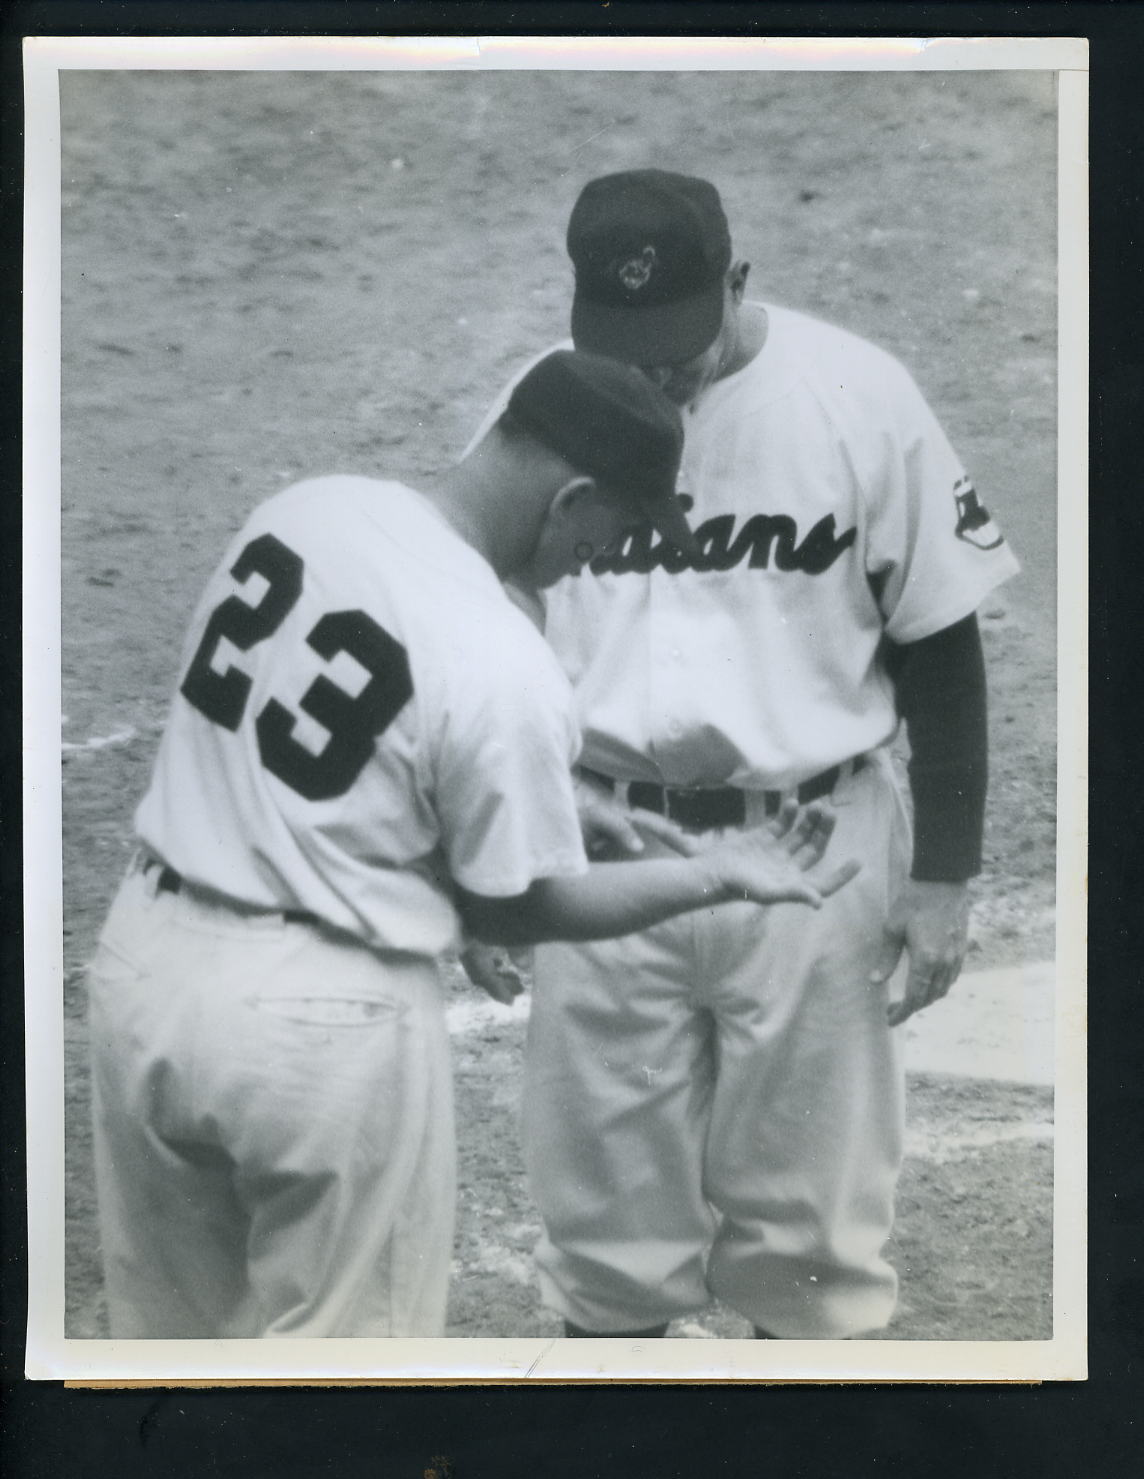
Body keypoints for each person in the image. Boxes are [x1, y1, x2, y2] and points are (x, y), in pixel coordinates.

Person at [86, 348, 859, 1339]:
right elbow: (511, 908)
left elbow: (342, 739)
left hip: (143, 973)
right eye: (617, 529)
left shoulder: (309, 511)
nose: (608, 557)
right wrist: (707, 873)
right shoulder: (503, 659)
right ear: (569, 497)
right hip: (314, 1038)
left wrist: (553, 797)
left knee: (162, 1375)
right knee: (345, 1391)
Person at [467, 170, 1021, 1339]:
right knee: (607, 1244)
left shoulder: (858, 399)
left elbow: (940, 641)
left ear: (738, 282)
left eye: (679, 340)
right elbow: (480, 631)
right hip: (604, 849)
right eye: (628, 345)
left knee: (810, 1255)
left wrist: (943, 879)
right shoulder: (548, 406)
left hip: (811, 852)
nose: (659, 373)